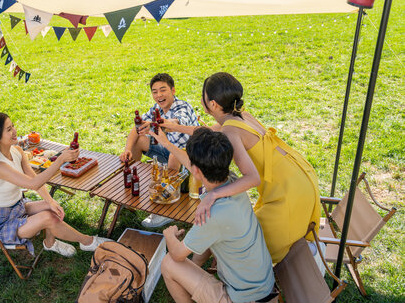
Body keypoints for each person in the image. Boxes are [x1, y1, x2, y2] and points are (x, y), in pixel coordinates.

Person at [157, 72, 321, 263]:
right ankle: (302, 247)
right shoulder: (241, 116)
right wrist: (174, 127)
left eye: (204, 97)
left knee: (252, 246)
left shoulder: (231, 131)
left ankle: (302, 255)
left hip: (287, 194)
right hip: (300, 178)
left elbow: (252, 178)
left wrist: (214, 195)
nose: (201, 100)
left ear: (213, 105)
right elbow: (212, 131)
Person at [158, 128, 276, 303]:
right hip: (262, 288)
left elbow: (177, 254)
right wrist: (167, 144)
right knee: (204, 242)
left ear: (196, 170)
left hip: (246, 299)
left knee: (169, 263)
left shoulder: (212, 214)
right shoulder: (233, 181)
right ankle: (192, 274)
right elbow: (196, 167)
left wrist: (169, 235)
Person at [0, 112, 110, 257]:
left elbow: (34, 178)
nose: (15, 131)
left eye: (13, 126)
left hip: (17, 207)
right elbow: (33, 184)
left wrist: (50, 201)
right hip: (0, 225)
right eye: (9, 129)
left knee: (52, 209)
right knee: (48, 218)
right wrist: (60, 160)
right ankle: (87, 242)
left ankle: (50, 243)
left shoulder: (16, 151)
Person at [119, 73, 199, 228]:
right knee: (140, 139)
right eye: (155, 91)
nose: (159, 95)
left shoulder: (182, 107)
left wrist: (159, 125)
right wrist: (127, 149)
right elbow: (136, 129)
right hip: (167, 150)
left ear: (173, 90)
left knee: (174, 156)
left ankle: (165, 210)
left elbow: (176, 122)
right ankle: (130, 184)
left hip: (188, 157)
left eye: (163, 90)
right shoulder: (157, 107)